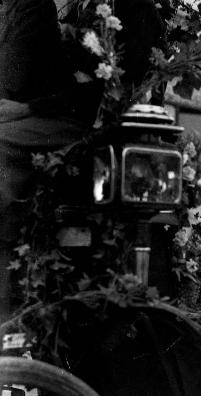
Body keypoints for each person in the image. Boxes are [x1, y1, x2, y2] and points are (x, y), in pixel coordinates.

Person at [0, 0, 165, 319]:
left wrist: (28, 110)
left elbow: (99, 94)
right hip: (66, 118)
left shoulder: (134, 9)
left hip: (94, 127)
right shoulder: (82, 9)